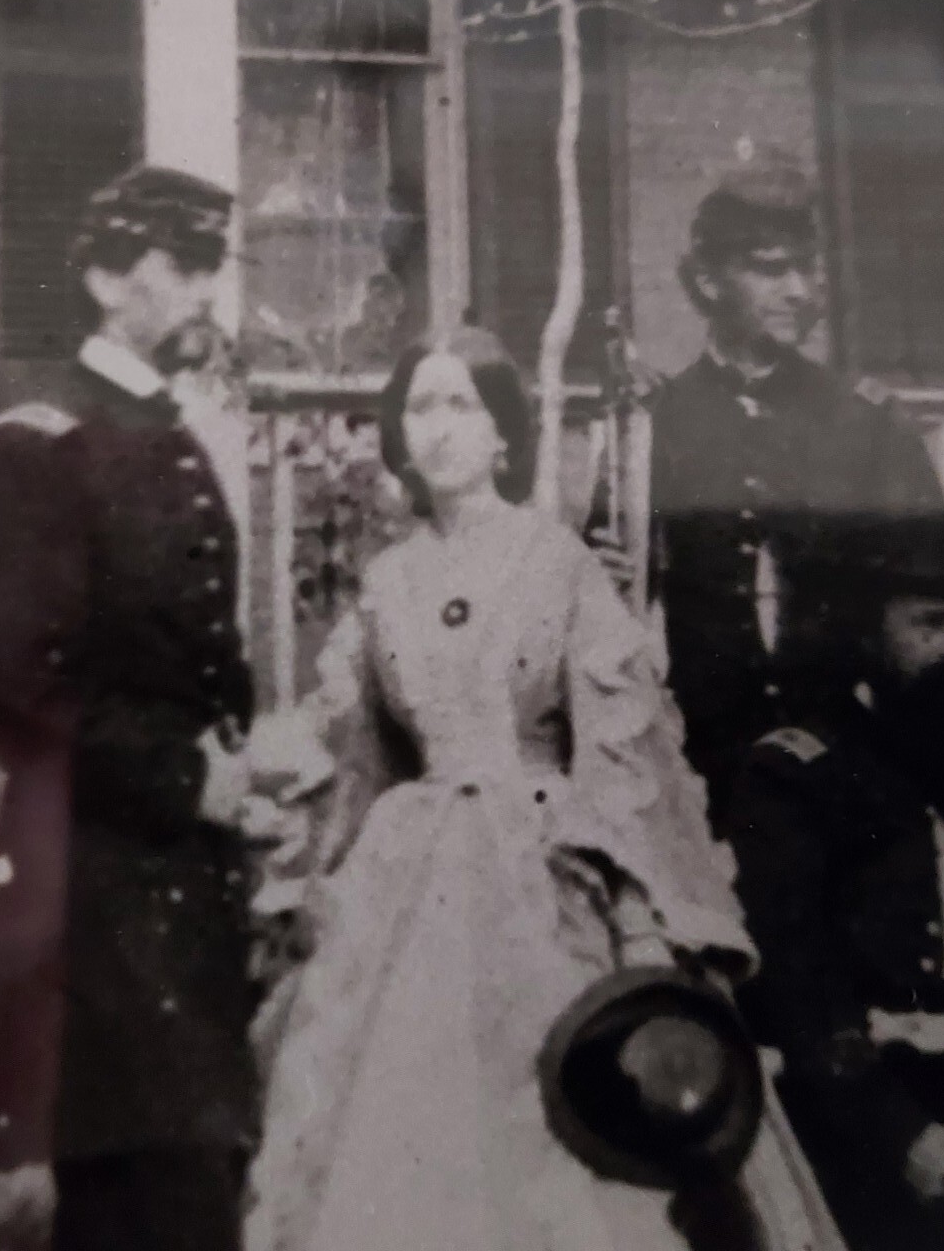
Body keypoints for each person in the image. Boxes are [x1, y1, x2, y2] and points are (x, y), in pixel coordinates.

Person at [239, 325, 809, 1251]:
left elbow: (619, 742)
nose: (439, 427)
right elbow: (353, 744)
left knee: (565, 1104)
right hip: (408, 882)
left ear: (504, 434)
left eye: (461, 403)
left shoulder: (558, 562)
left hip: (543, 868)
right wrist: (288, 840)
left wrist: (614, 881)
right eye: (419, 405)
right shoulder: (388, 580)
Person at [0, 165, 259, 1251]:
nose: (207, 290)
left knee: (182, 1190)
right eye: (183, 264)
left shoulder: (166, 436)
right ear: (103, 275)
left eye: (212, 263)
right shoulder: (40, 445)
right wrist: (185, 777)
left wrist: (242, 763)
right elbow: (6, 690)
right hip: (94, 896)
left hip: (186, 892)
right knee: (153, 1203)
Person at [726, 520, 944, 1251]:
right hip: (877, 1120)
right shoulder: (796, 775)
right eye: (929, 624)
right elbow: (799, 983)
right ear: (869, 632)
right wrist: (897, 1135)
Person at [629, 159, 944, 820]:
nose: (799, 290)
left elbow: (931, 618)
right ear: (710, 280)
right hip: (697, 764)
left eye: (806, 268)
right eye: (772, 269)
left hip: (844, 760)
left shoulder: (865, 424)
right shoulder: (655, 425)